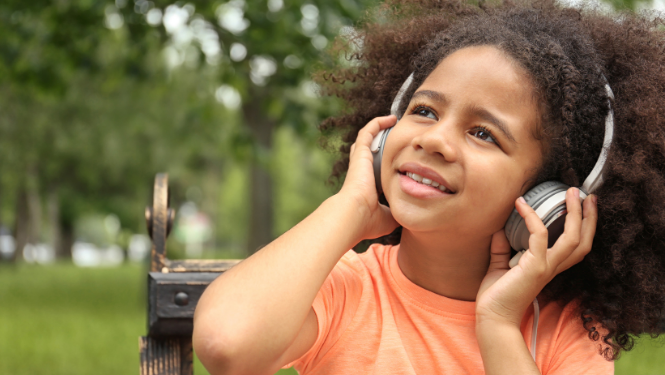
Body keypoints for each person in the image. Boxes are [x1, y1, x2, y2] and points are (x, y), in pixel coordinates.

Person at [193, 0, 665, 374]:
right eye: (424, 111)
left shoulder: (561, 329)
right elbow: (226, 346)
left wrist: (498, 325)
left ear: (549, 199)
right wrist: (352, 206)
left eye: (483, 133)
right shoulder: (348, 286)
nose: (434, 140)